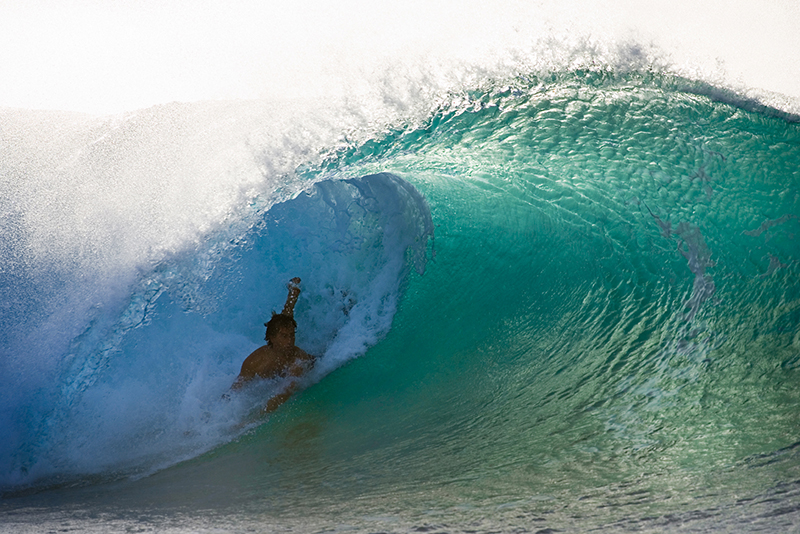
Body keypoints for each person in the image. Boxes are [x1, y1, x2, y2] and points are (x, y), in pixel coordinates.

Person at [230, 277, 315, 412]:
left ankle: (293, 293)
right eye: (284, 337)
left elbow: (286, 392)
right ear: (271, 338)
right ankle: (293, 292)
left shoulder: (298, 360)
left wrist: (256, 418)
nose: (290, 341)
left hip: (314, 361)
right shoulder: (255, 361)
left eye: (293, 336)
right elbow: (233, 392)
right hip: (274, 347)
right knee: (284, 322)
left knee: (286, 323)